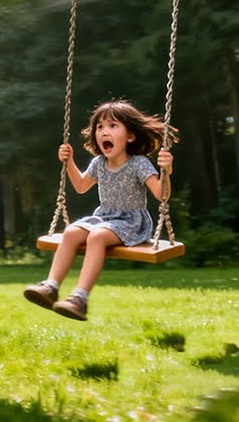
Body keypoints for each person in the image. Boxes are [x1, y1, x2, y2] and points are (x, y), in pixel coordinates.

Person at [24, 100, 176, 321]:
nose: (105, 131)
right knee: (71, 232)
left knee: (96, 237)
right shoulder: (98, 163)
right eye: (100, 127)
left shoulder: (139, 164)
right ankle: (50, 287)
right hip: (104, 218)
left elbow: (161, 195)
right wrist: (69, 162)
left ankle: (79, 298)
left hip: (131, 222)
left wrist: (167, 171)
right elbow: (81, 186)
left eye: (113, 126)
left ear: (130, 136)